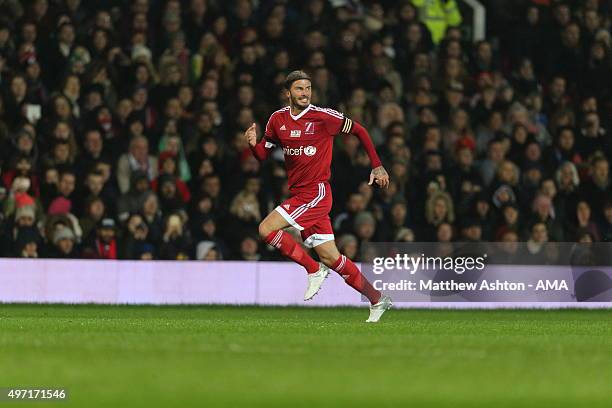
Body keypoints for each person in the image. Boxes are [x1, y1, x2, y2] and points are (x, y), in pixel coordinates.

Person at [245, 70, 392, 322]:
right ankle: (377, 299)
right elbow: (262, 154)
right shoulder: (277, 120)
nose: (305, 93)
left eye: (308, 89)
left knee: (265, 228)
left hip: (316, 193)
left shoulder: (324, 117)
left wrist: (376, 165)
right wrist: (252, 144)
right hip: (300, 193)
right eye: (299, 89)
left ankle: (313, 269)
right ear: (287, 93)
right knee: (331, 257)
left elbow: (361, 131)